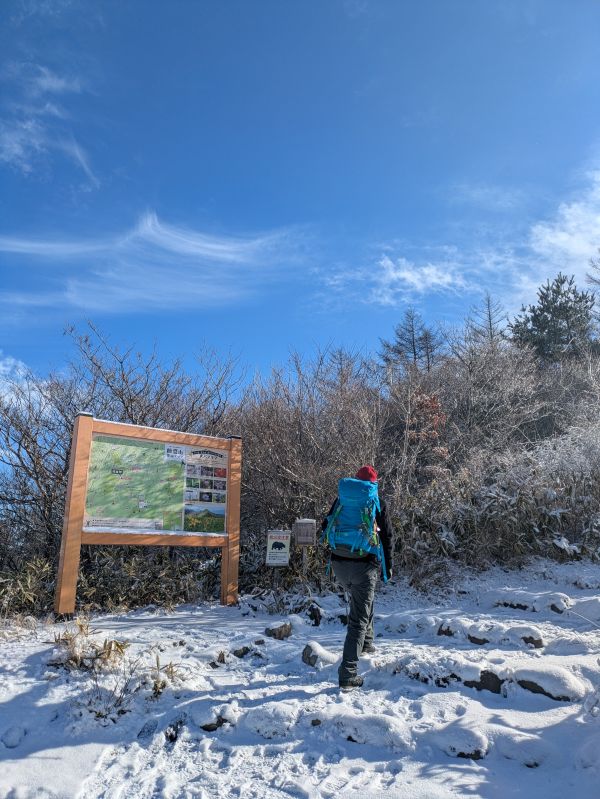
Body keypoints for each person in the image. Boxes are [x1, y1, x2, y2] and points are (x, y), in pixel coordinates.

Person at [321, 465, 394, 690]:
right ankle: (348, 674)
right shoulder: (375, 501)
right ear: (374, 482)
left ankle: (367, 644)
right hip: (364, 564)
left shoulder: (342, 499)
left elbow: (326, 524)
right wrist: (388, 567)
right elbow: (388, 536)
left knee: (362, 600)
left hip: (339, 562)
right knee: (358, 619)